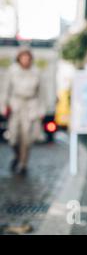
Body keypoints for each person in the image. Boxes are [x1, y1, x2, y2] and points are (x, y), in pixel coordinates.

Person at [1, 46, 46, 176]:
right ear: (19, 58)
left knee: (26, 137)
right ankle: (17, 155)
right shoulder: (12, 71)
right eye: (23, 57)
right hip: (16, 106)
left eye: (27, 57)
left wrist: (41, 109)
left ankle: (23, 163)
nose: (25, 59)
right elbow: (5, 89)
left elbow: (41, 92)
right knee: (13, 138)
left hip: (30, 106)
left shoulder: (36, 72)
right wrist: (3, 105)